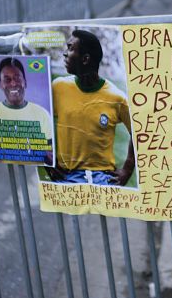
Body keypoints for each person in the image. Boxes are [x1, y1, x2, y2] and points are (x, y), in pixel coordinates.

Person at [46, 29, 135, 185]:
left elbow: (137, 131)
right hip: (65, 177)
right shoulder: (58, 87)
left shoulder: (116, 98)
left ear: (85, 59)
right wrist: (47, 157)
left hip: (103, 178)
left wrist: (127, 168)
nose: (65, 54)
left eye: (71, 48)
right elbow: (39, 121)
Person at [0, 57, 53, 164]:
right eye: (7, 79)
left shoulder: (42, 114)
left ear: (25, 82)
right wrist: (11, 146)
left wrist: (30, 148)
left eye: (17, 78)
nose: (13, 84)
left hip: (34, 175)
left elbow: (52, 157)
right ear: (1, 84)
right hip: (5, 174)